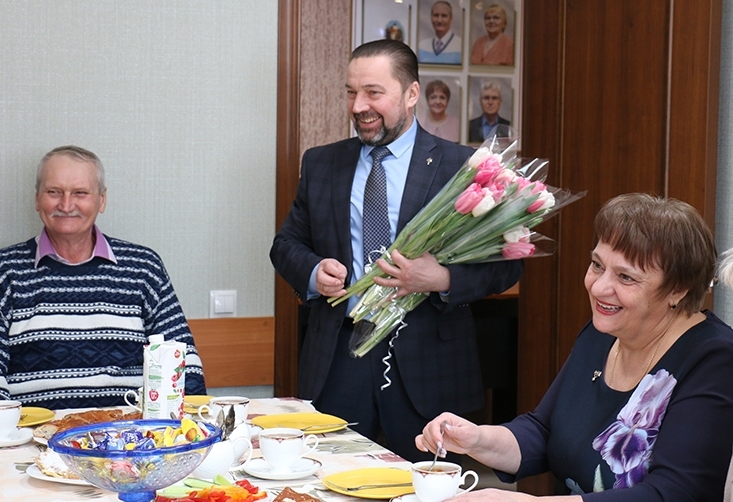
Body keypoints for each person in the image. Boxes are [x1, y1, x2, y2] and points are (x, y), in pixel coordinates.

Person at [270, 39, 522, 462]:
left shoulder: (462, 167)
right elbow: (286, 245)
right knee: (331, 482)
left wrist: (441, 278)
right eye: (351, 92)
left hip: (430, 364)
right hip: (340, 359)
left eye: (373, 92)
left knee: (427, 488)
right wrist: (314, 271)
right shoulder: (321, 164)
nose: (357, 106)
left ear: (411, 94)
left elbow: (505, 267)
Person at [416, 193, 733, 499]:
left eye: (625, 277)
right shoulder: (605, 332)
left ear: (677, 289)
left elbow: (673, 493)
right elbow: (545, 431)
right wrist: (477, 439)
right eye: (597, 265)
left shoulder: (714, 359)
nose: (599, 286)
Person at [0, 145, 206, 411]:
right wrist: (8, 437)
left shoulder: (144, 268)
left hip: (131, 439)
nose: (66, 205)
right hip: (34, 441)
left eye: (80, 193)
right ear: (37, 199)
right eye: (54, 192)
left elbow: (184, 363)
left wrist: (181, 429)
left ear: (101, 200)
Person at [418, 0, 463, 65]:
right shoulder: (422, 46)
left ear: (451, 19)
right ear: (431, 18)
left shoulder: (460, 46)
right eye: (436, 15)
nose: (439, 20)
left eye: (444, 16)